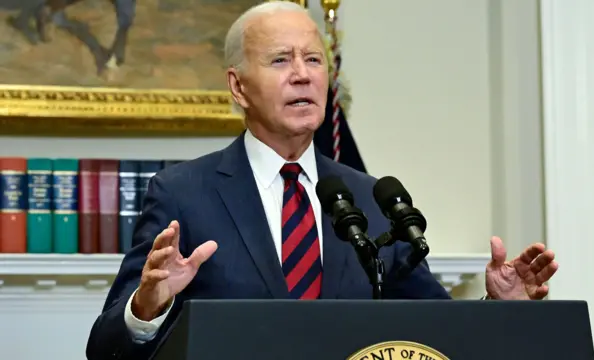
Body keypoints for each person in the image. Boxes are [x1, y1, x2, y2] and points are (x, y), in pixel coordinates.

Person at [85, 2, 559, 359]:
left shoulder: (370, 198)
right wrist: (147, 308)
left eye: (313, 60)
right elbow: (103, 347)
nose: (302, 76)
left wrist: (499, 305)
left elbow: (429, 333)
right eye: (280, 61)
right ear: (237, 86)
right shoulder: (183, 193)